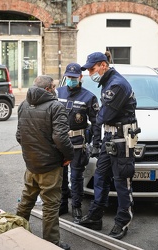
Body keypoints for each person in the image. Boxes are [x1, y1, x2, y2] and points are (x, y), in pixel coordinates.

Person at [77, 52, 138, 240]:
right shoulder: (106, 82)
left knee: (121, 182)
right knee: (100, 177)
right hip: (110, 137)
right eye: (87, 70)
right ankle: (95, 216)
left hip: (121, 140)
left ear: (103, 65)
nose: (90, 73)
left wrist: (93, 119)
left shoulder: (117, 85)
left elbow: (104, 116)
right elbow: (102, 117)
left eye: (92, 69)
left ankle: (122, 221)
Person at [16, 75, 74, 250]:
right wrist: (69, 155)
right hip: (50, 165)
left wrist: (30, 152)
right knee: (50, 205)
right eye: (54, 86)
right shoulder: (56, 107)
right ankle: (51, 243)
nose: (55, 88)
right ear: (49, 88)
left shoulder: (24, 104)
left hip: (31, 163)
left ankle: (16, 233)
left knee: (26, 200)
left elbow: (19, 135)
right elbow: (60, 138)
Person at [57, 63, 101, 221]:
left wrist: (96, 144)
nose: (71, 80)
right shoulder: (58, 92)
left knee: (76, 176)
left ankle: (76, 206)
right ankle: (62, 204)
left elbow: (96, 123)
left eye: (74, 78)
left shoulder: (89, 97)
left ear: (80, 77)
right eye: (68, 77)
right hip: (59, 143)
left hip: (77, 143)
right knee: (60, 176)